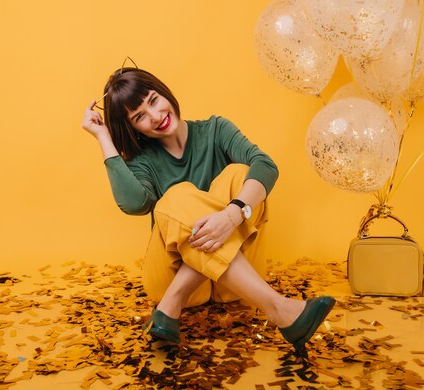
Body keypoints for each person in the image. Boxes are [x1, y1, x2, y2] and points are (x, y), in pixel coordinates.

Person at [81, 66, 334, 351]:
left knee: (241, 174)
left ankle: (170, 306)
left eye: (153, 100)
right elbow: (134, 203)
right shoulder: (144, 160)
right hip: (170, 278)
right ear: (133, 127)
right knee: (177, 196)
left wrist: (231, 214)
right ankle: (277, 308)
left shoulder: (215, 130)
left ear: (164, 92)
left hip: (233, 288)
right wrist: (103, 137)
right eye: (139, 116)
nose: (155, 116)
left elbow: (265, 166)